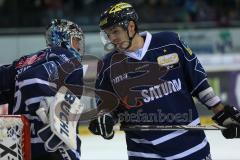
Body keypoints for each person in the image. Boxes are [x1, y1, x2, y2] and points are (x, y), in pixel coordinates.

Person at [89, 2, 240, 160]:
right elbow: (108, 107)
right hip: (144, 154)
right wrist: (105, 120)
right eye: (108, 34)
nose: (111, 39)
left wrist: (221, 112)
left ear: (131, 27)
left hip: (192, 149)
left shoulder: (170, 43)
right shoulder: (107, 66)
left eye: (115, 32)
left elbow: (198, 83)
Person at [0, 19, 84, 160]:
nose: (79, 47)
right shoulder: (67, 59)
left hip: (15, 146)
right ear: (64, 39)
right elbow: (31, 79)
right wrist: (50, 122)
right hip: (46, 147)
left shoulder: (22, 62)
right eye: (76, 41)